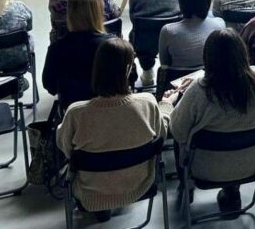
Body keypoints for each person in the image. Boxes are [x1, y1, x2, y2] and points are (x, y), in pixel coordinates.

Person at [56, 38, 171, 223]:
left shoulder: (76, 113)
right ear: (128, 70)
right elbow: (161, 133)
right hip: (140, 186)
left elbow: (65, 148)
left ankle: (103, 205)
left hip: (89, 194)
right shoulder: (148, 103)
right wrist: (166, 105)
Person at [165, 29, 255, 212]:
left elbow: (177, 131)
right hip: (253, 163)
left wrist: (169, 103)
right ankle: (232, 191)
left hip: (205, 169)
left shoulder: (198, 91)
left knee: (181, 129)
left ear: (207, 58)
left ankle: (186, 185)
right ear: (243, 52)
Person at [43, 0, 112, 110]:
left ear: (70, 14)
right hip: (109, 110)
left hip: (73, 111)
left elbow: (49, 85)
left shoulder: (57, 48)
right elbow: (130, 77)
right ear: (99, 12)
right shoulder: (113, 45)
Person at [128, 0, 181, 85]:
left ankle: (147, 73)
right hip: (174, 39)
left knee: (135, 34)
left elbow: (133, 19)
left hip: (145, 42)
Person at [158, 0, 225, 69]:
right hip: (211, 77)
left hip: (178, 77)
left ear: (181, 2)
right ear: (208, 1)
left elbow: (164, 64)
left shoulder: (168, 31)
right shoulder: (220, 25)